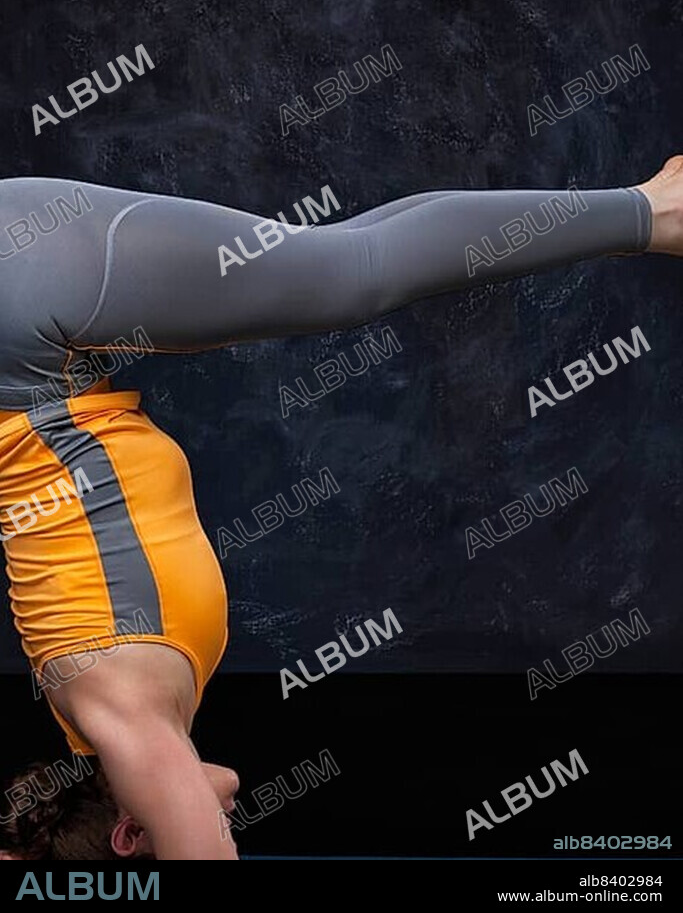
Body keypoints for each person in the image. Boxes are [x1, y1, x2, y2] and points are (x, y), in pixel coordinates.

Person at [0, 156, 682, 860]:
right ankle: (652, 206)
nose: (228, 815)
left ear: (131, 833)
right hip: (30, 323)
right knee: (352, 256)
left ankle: (657, 211)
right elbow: (206, 791)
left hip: (23, 314)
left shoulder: (128, 726)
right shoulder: (117, 711)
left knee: (354, 268)